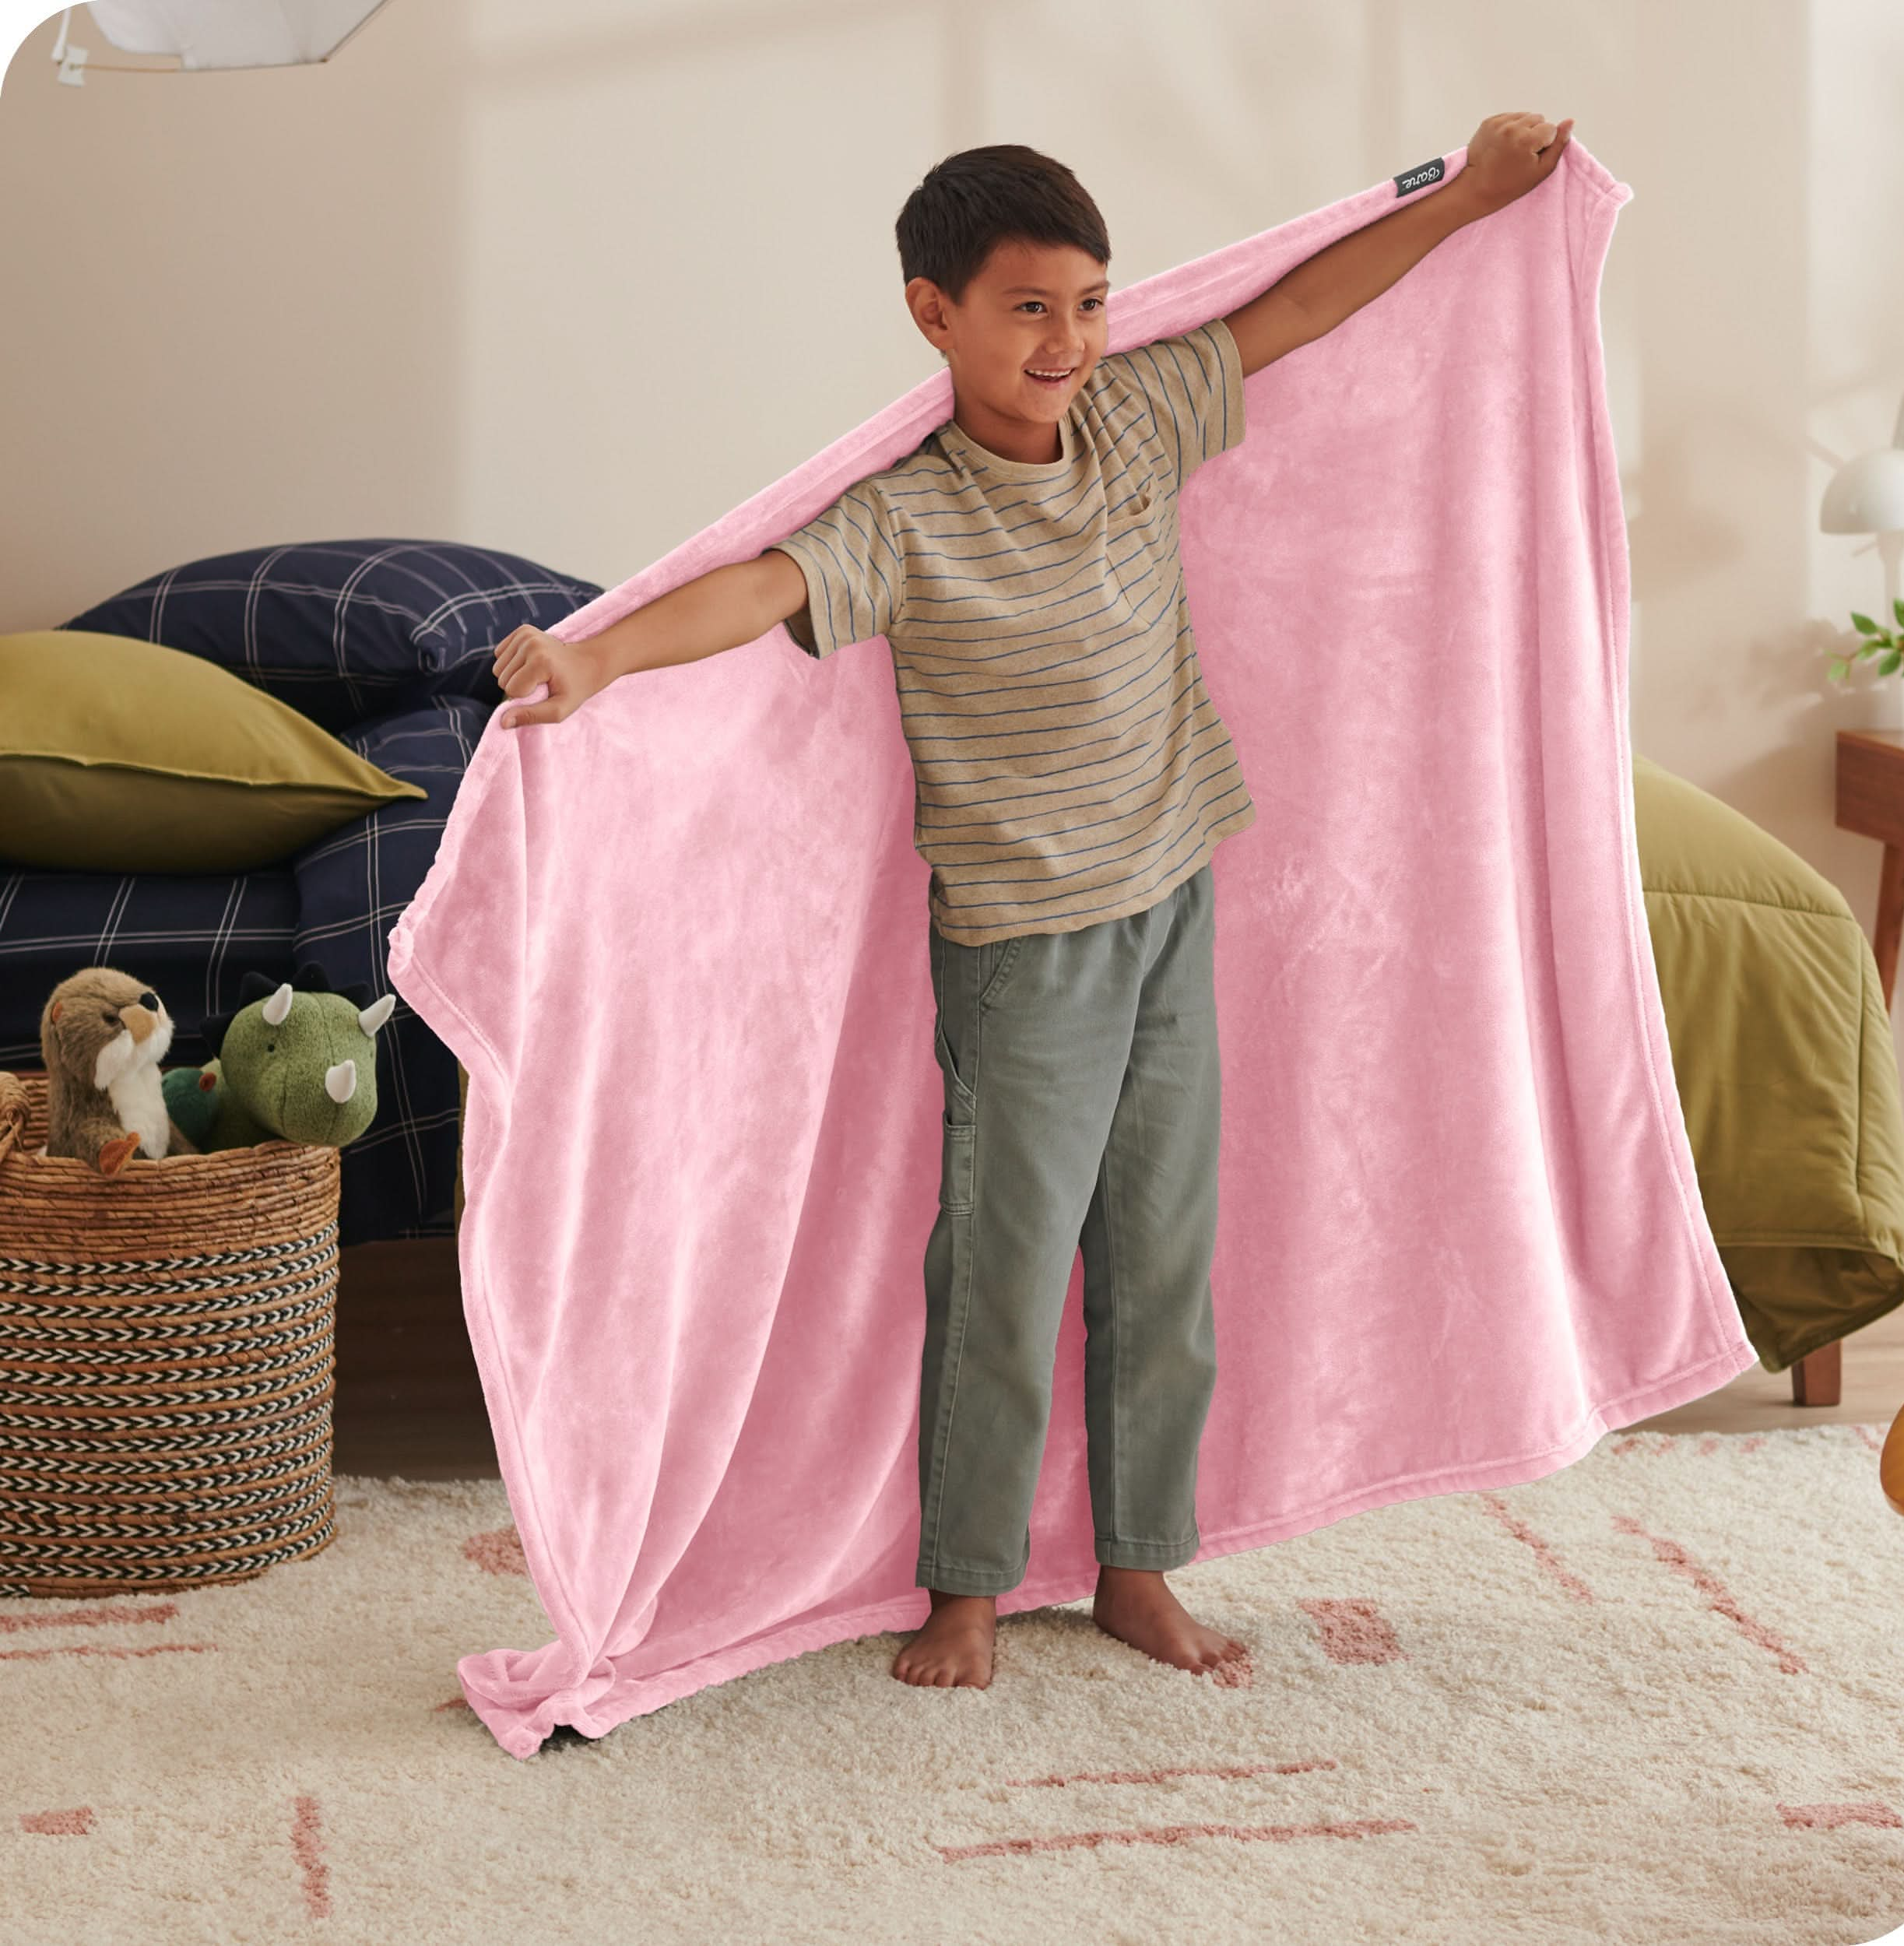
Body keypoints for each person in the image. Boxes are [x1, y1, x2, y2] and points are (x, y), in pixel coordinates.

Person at [490, 114, 1573, 1691]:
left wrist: (1470, 196)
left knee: (1161, 1253)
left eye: (1086, 301)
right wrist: (594, 658)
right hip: (1021, 944)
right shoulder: (908, 516)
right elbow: (757, 587)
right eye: (1024, 307)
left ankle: (1137, 1565)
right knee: (1003, 1267)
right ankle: (967, 1588)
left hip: (1169, 893)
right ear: (933, 314)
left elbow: (1292, 309)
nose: (1064, 339)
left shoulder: (1135, 415)